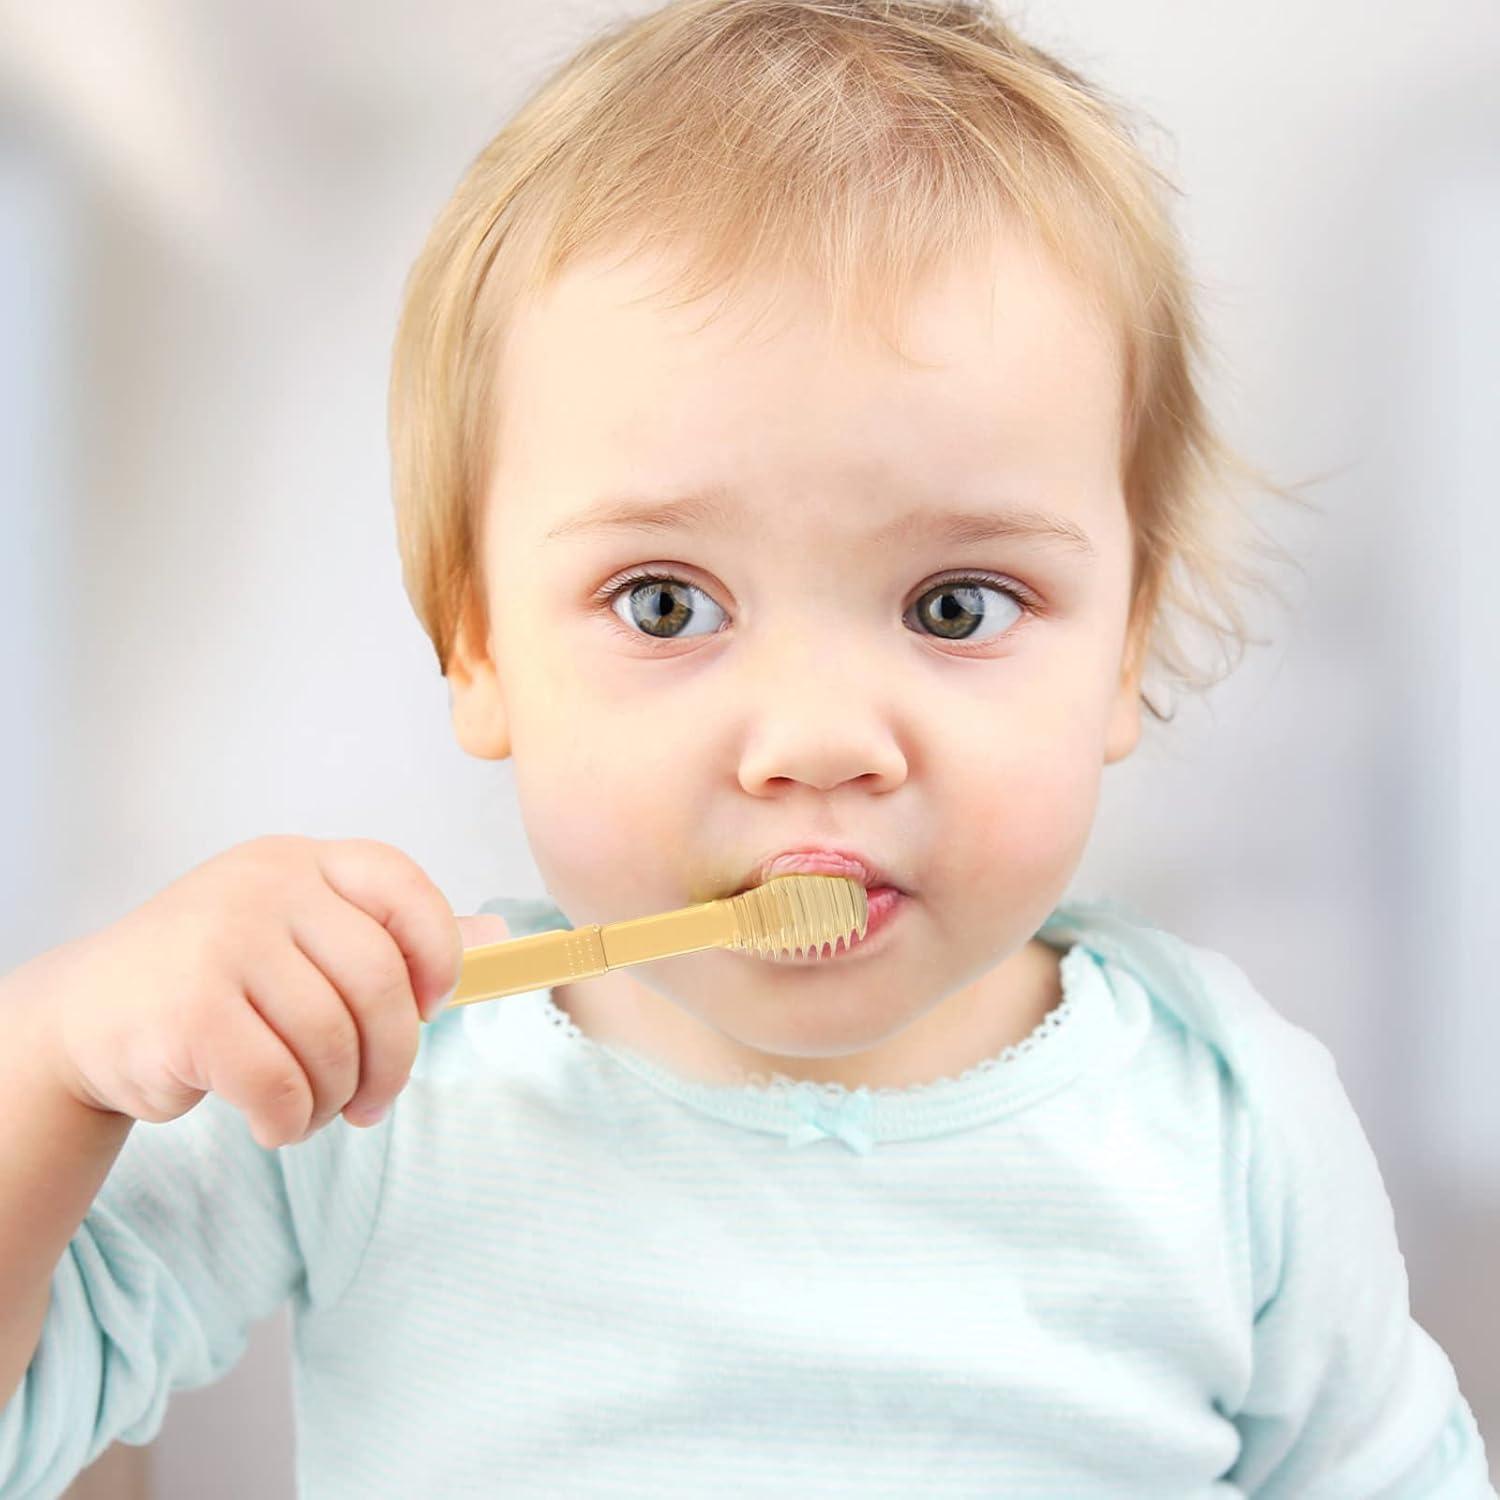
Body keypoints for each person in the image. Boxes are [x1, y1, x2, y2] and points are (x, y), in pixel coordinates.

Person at [1, 1, 1493, 1494]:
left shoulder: (1230, 1127)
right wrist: (57, 1055)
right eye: (667, 603)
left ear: (1122, 645)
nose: (822, 741)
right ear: (479, 645)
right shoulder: (381, 1094)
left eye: (956, 604)